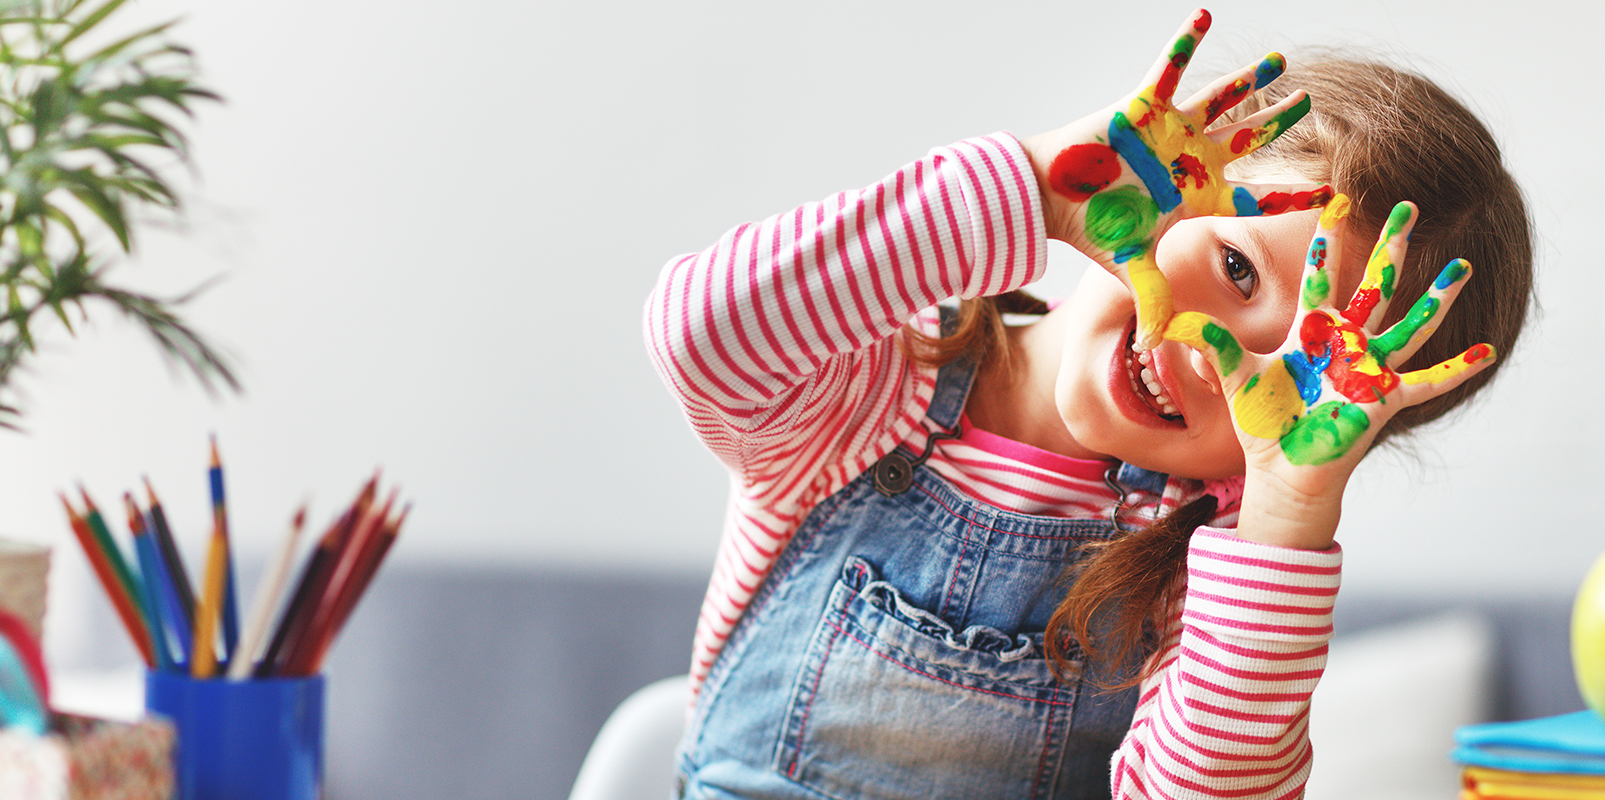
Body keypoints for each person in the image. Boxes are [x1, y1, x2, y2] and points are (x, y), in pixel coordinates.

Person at [642, 9, 1532, 799]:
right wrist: (1039, 187)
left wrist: (1286, 515)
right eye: (1237, 268)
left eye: (1305, 371)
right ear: (1161, 188)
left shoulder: (1213, 563)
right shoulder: (872, 387)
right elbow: (705, 336)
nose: (1216, 353)